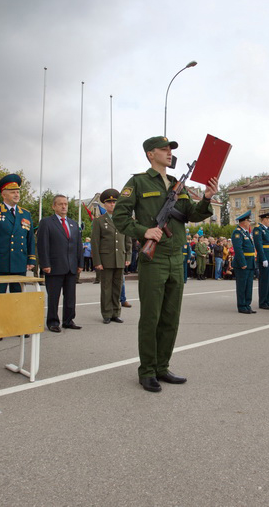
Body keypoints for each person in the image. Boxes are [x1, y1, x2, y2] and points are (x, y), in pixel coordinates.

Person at [113, 135, 217, 393]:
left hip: (176, 257)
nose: (169, 153)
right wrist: (144, 232)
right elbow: (120, 216)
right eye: (164, 149)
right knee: (151, 317)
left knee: (171, 317)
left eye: (171, 149)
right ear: (151, 154)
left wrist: (206, 198)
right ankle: (147, 371)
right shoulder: (137, 182)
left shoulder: (176, 185)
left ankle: (162, 367)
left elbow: (191, 215)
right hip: (154, 258)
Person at [0, 174, 36, 340]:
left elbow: (30, 239)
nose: (16, 194)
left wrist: (31, 259)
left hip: (19, 262)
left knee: (18, 297)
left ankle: (18, 326)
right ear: (3, 194)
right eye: (12, 191)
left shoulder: (25, 214)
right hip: (0, 262)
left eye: (18, 191)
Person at [37, 194, 83, 332]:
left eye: (66, 204)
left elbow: (78, 245)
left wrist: (80, 263)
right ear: (54, 206)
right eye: (60, 204)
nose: (64, 206)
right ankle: (53, 322)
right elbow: (42, 245)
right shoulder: (46, 222)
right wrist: (45, 264)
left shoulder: (73, 224)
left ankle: (68, 320)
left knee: (70, 297)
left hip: (71, 266)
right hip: (54, 266)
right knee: (53, 296)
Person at [91, 188, 131, 324]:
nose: (112, 205)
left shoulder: (123, 220)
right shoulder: (99, 221)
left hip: (120, 258)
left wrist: (128, 257)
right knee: (106, 288)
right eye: (109, 203)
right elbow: (95, 243)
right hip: (106, 259)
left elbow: (127, 240)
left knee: (117, 287)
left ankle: (116, 312)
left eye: (114, 202)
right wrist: (97, 261)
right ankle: (107, 313)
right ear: (104, 204)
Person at [232, 211, 256, 314]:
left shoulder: (245, 232)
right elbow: (238, 249)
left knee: (249, 285)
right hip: (243, 263)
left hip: (250, 262)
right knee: (242, 285)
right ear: (244, 221)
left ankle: (247, 304)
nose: (249, 223)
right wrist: (242, 263)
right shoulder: (237, 232)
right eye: (248, 221)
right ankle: (242, 306)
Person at [253, 211, 269, 310]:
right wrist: (263, 258)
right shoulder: (258, 229)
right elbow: (259, 245)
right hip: (265, 259)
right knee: (264, 281)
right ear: (264, 219)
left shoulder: (267, 230)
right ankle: (263, 302)